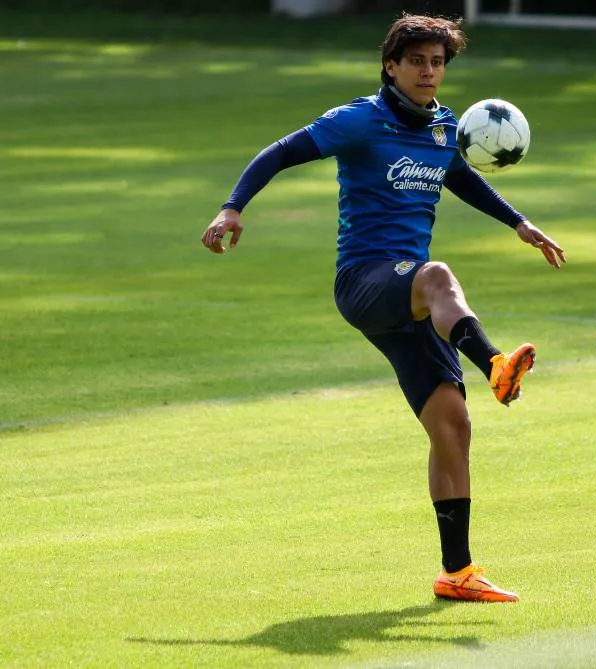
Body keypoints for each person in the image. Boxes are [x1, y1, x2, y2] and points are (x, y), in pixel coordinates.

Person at [200, 13, 565, 603]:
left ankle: (458, 572)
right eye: (417, 61)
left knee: (452, 425)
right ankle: (495, 363)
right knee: (437, 276)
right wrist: (232, 206)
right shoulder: (357, 120)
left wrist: (519, 222)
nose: (428, 72)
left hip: (409, 298)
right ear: (391, 67)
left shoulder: (446, 128)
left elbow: (460, 179)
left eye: (437, 62)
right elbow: (280, 152)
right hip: (366, 282)